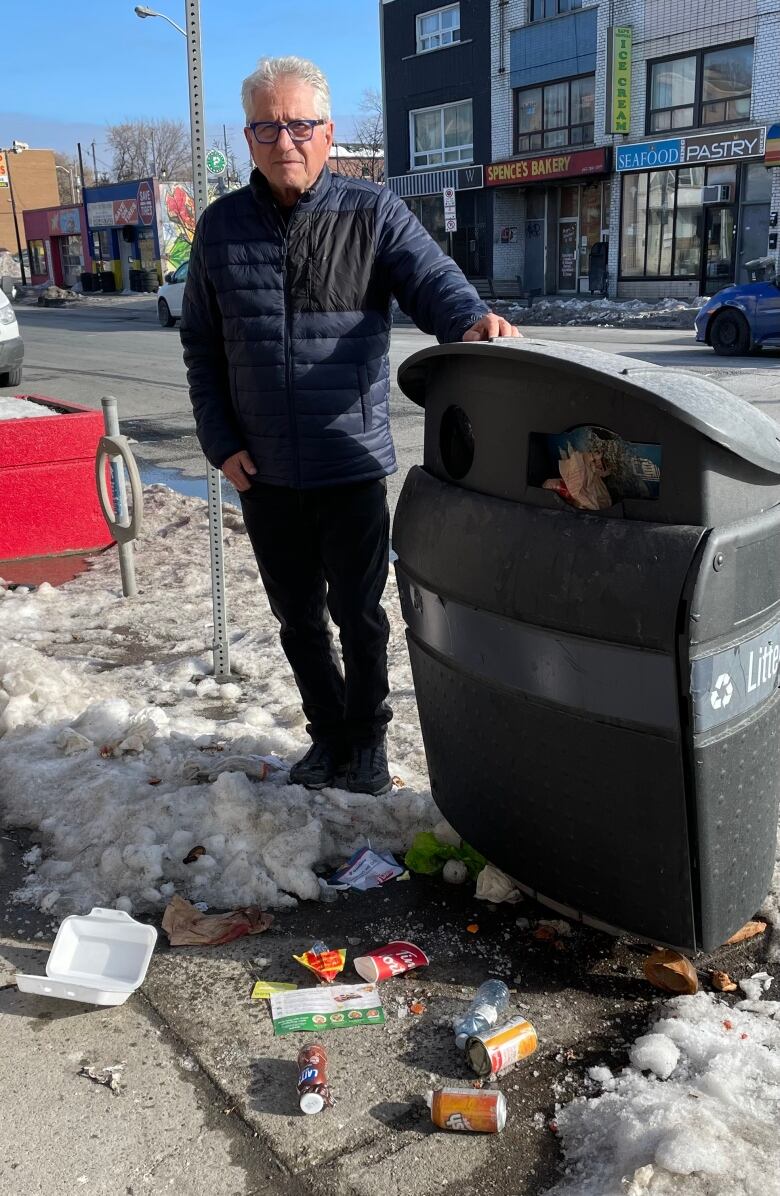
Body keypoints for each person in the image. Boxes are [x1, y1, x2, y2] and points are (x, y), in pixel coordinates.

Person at [181, 55, 519, 797]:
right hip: (262, 470)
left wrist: (472, 321)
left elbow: (433, 280)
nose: (285, 141)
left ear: (328, 133)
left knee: (359, 616)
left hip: (349, 462)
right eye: (268, 126)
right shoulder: (219, 228)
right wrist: (220, 442)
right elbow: (202, 346)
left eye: (300, 124)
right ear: (248, 137)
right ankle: (326, 736)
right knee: (297, 620)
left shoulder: (373, 213)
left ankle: (366, 741)